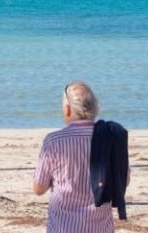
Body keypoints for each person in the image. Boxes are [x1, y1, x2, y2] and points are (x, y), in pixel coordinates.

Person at [33, 81, 130, 233]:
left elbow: (39, 188)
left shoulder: (54, 141)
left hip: (63, 227)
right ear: (94, 107)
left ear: (67, 109)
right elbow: (124, 180)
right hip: (100, 228)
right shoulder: (110, 138)